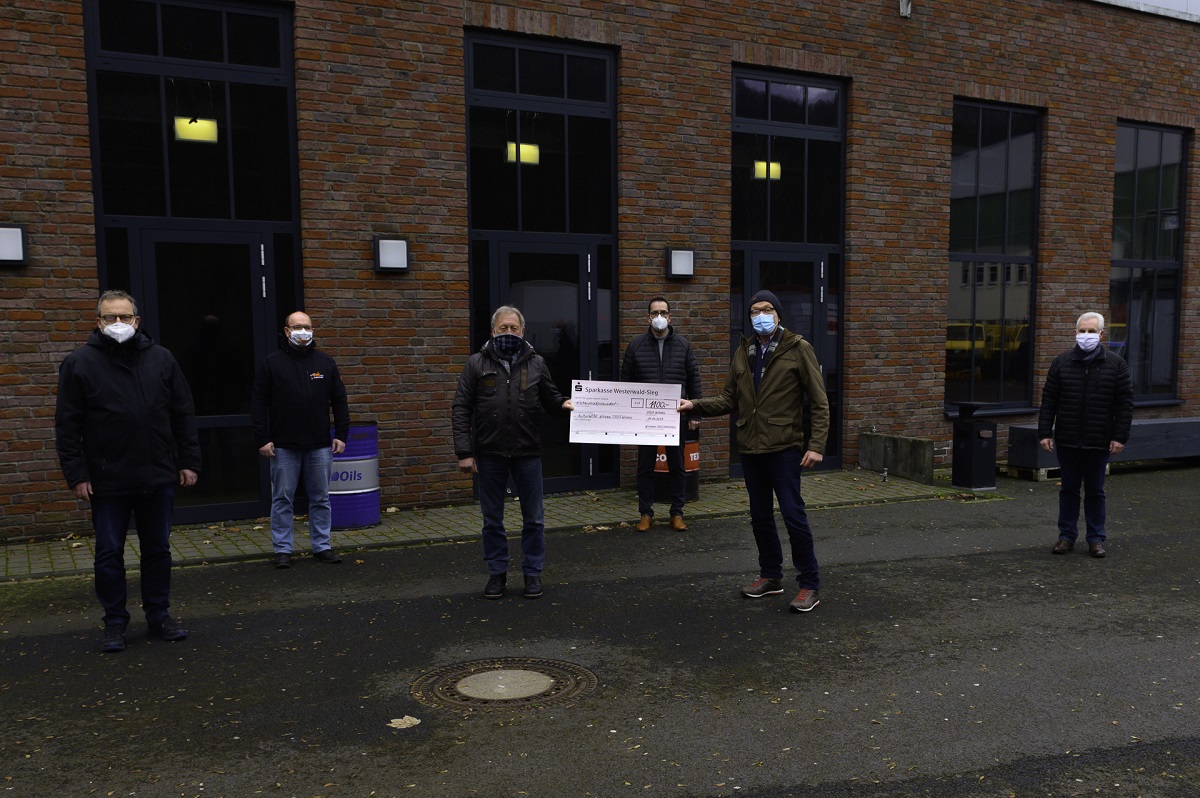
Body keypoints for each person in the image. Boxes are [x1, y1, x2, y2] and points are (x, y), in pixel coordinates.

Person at [55, 290, 202, 653]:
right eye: (109, 318)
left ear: (137, 320)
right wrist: (77, 474)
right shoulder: (79, 364)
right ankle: (115, 623)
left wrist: (188, 461)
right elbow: (68, 426)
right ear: (98, 321)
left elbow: (183, 414)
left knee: (157, 551)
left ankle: (159, 617)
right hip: (107, 480)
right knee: (108, 554)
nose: (117, 324)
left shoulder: (162, 360)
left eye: (124, 317)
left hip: (158, 475)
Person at [678, 290, 829, 613]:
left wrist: (816, 446)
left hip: (784, 447)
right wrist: (694, 405)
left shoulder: (797, 348)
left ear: (778, 313)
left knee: (792, 514)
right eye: (754, 311)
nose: (760, 315)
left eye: (767, 309)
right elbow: (728, 399)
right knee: (759, 516)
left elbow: (818, 401)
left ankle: (809, 584)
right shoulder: (743, 351)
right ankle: (771, 576)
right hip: (750, 446)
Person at [452, 306, 573, 600]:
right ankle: (497, 575)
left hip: (527, 451)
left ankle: (532, 574)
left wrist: (565, 405)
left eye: (513, 329)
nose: (509, 333)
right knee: (492, 519)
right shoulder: (476, 364)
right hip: (489, 453)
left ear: (523, 330)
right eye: (503, 328)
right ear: (493, 331)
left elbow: (550, 397)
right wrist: (465, 452)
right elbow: (461, 408)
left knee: (534, 519)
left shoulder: (537, 363)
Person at [251, 311, 350, 569]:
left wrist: (341, 434)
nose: (302, 331)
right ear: (286, 331)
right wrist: (263, 438)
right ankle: (283, 550)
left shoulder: (325, 363)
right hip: (283, 445)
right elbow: (259, 404)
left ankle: (322, 546)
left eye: (306, 327)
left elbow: (339, 401)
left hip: (319, 444)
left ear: (312, 330)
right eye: (297, 327)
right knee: (282, 499)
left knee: (320, 498)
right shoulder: (272, 364)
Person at [1038, 311, 1133, 558]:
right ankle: (1066, 537)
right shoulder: (1061, 362)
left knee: (1095, 490)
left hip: (1098, 440)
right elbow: (1049, 400)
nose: (1086, 335)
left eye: (1092, 331)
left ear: (1102, 334)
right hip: (1068, 438)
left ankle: (1096, 539)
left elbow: (1124, 404)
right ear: (1075, 332)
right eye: (1082, 330)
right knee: (1068, 489)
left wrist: (1119, 436)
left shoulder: (1116, 364)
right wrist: (1045, 432)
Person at [620, 296, 702, 532]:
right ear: (648, 317)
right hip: (645, 420)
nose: (659, 317)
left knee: (678, 467)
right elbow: (626, 383)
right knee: (645, 467)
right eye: (655, 313)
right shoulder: (635, 345)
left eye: (663, 313)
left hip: (676, 417)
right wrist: (627, 416)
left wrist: (696, 413)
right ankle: (646, 513)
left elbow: (694, 380)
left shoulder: (684, 345)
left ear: (670, 317)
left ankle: (676, 513)